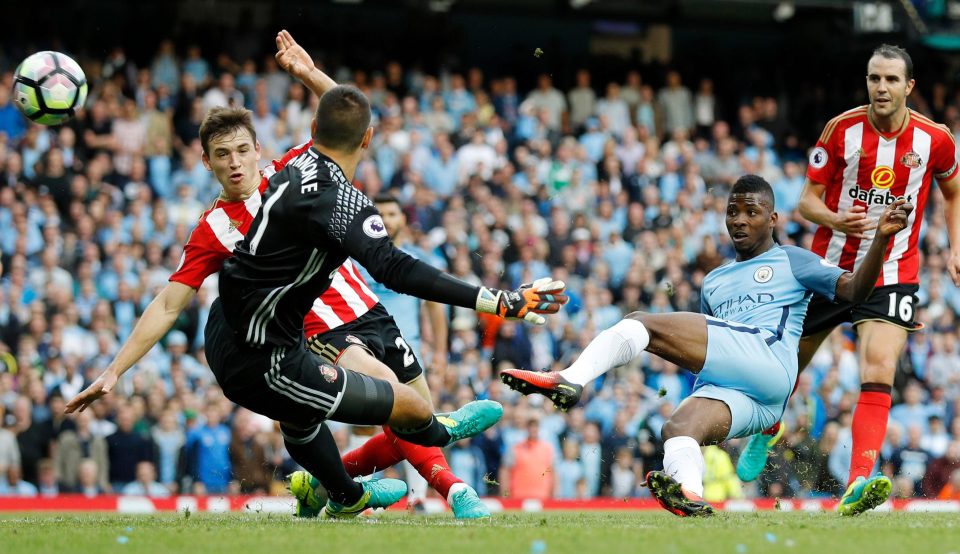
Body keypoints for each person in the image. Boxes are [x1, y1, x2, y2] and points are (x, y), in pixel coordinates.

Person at [501, 174, 911, 516]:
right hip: (756, 401)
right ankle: (693, 497)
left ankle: (569, 379)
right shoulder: (713, 281)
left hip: (770, 361)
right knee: (677, 429)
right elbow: (710, 354)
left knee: (642, 323)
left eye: (751, 212)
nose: (740, 220)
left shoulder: (793, 259)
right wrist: (700, 405)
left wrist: (880, 239)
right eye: (733, 211)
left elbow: (855, 290)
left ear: (773, 219)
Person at [735, 44, 960, 516]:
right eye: (874, 78)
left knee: (878, 369)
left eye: (891, 80)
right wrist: (839, 219)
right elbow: (806, 202)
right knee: (787, 368)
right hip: (831, 270)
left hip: (894, 273)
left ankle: (859, 480)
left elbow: (953, 189)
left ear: (909, 86)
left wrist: (956, 246)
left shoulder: (935, 140)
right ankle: (766, 427)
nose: (881, 87)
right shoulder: (842, 130)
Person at [298, 194, 489, 518]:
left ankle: (331, 488)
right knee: (393, 413)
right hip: (341, 336)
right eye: (381, 213)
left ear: (403, 218)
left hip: (394, 334)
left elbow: (433, 306)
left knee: (412, 421)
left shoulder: (412, 256)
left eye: (392, 213)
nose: (386, 219)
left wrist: (440, 350)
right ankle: (453, 488)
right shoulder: (357, 251)